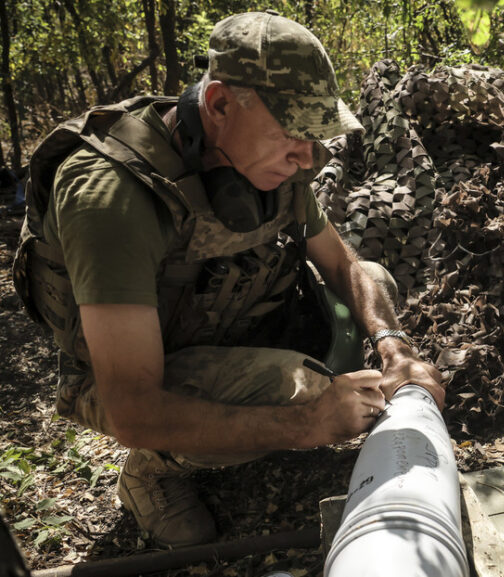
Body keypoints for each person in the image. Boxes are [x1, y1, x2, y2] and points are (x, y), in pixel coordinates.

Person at [12, 10, 444, 547]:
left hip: (230, 321)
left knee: (375, 281)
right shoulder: (114, 194)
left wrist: (394, 346)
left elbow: (343, 265)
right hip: (127, 375)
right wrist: (306, 424)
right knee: (300, 392)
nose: (307, 156)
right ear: (217, 104)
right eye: (291, 132)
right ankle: (152, 472)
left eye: (315, 135)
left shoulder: (273, 160)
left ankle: (249, 400)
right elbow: (131, 404)